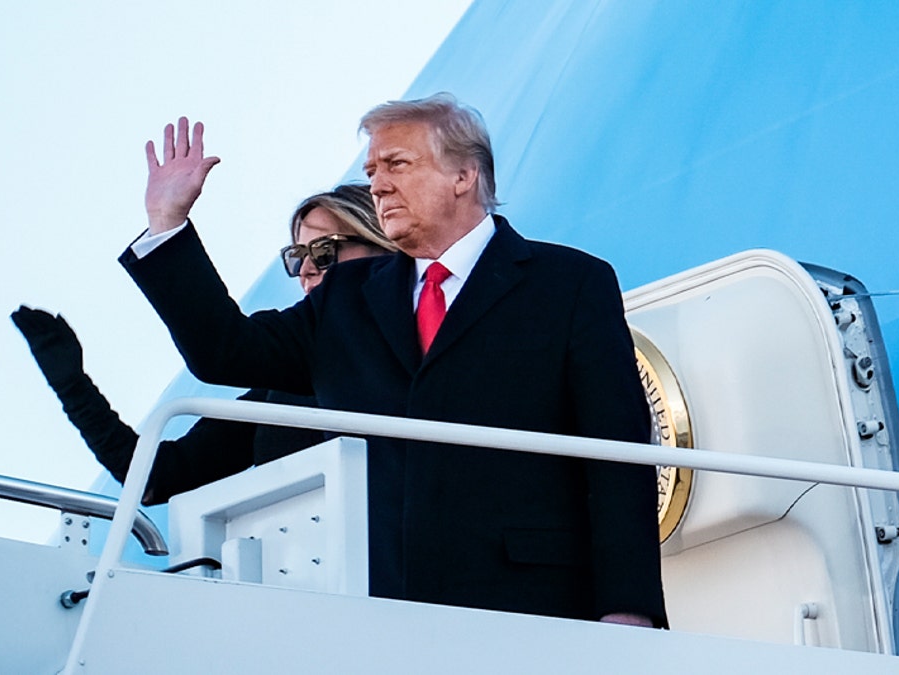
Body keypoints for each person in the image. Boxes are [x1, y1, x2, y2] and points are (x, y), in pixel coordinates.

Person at [120, 97, 667, 627]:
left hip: (531, 603)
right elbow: (226, 352)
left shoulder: (569, 283)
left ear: (463, 176)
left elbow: (616, 454)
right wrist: (167, 222)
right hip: (372, 603)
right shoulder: (346, 297)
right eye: (372, 169)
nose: (378, 184)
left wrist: (627, 606)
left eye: (397, 164)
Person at [13, 183, 396, 505]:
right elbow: (155, 477)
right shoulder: (286, 380)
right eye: (297, 258)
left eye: (325, 252)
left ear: (385, 244)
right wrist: (71, 383)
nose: (307, 269)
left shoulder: (437, 339)